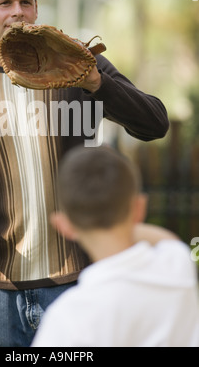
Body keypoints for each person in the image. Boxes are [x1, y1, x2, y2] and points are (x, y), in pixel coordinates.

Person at [0, 0, 170, 347]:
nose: (17, 12)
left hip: (75, 281)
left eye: (26, 2)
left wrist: (96, 80)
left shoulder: (79, 69)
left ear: (36, 8)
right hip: (0, 290)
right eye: (5, 3)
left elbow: (155, 123)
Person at [31, 145, 199, 347]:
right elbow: (166, 239)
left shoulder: (69, 318)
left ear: (63, 225)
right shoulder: (176, 268)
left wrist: (89, 224)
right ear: (139, 207)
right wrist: (121, 225)